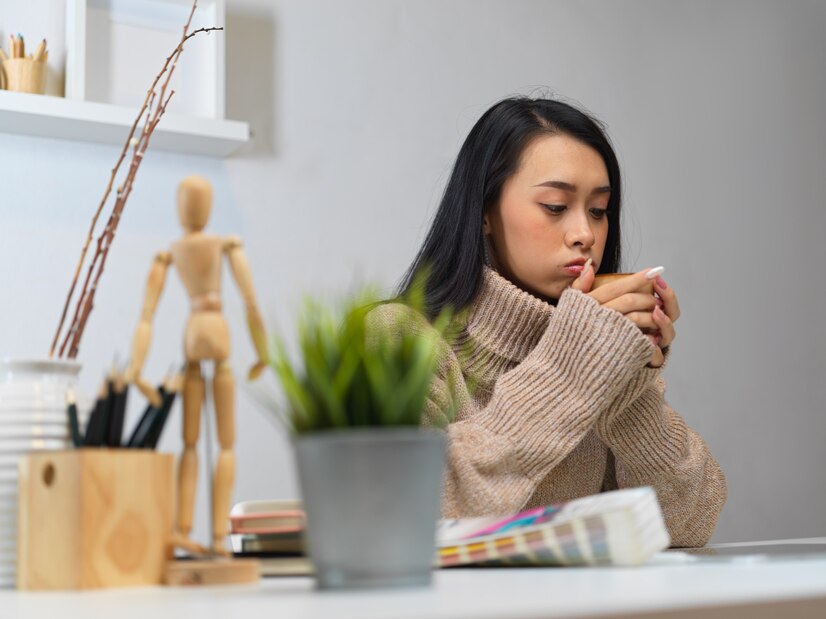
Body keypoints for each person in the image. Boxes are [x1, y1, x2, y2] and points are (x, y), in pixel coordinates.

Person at [368, 96, 727, 547]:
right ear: (483, 212)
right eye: (556, 206)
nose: (586, 234)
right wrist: (569, 368)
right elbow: (406, 517)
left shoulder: (600, 344)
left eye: (598, 210)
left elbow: (689, 525)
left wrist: (627, 388)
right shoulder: (399, 337)